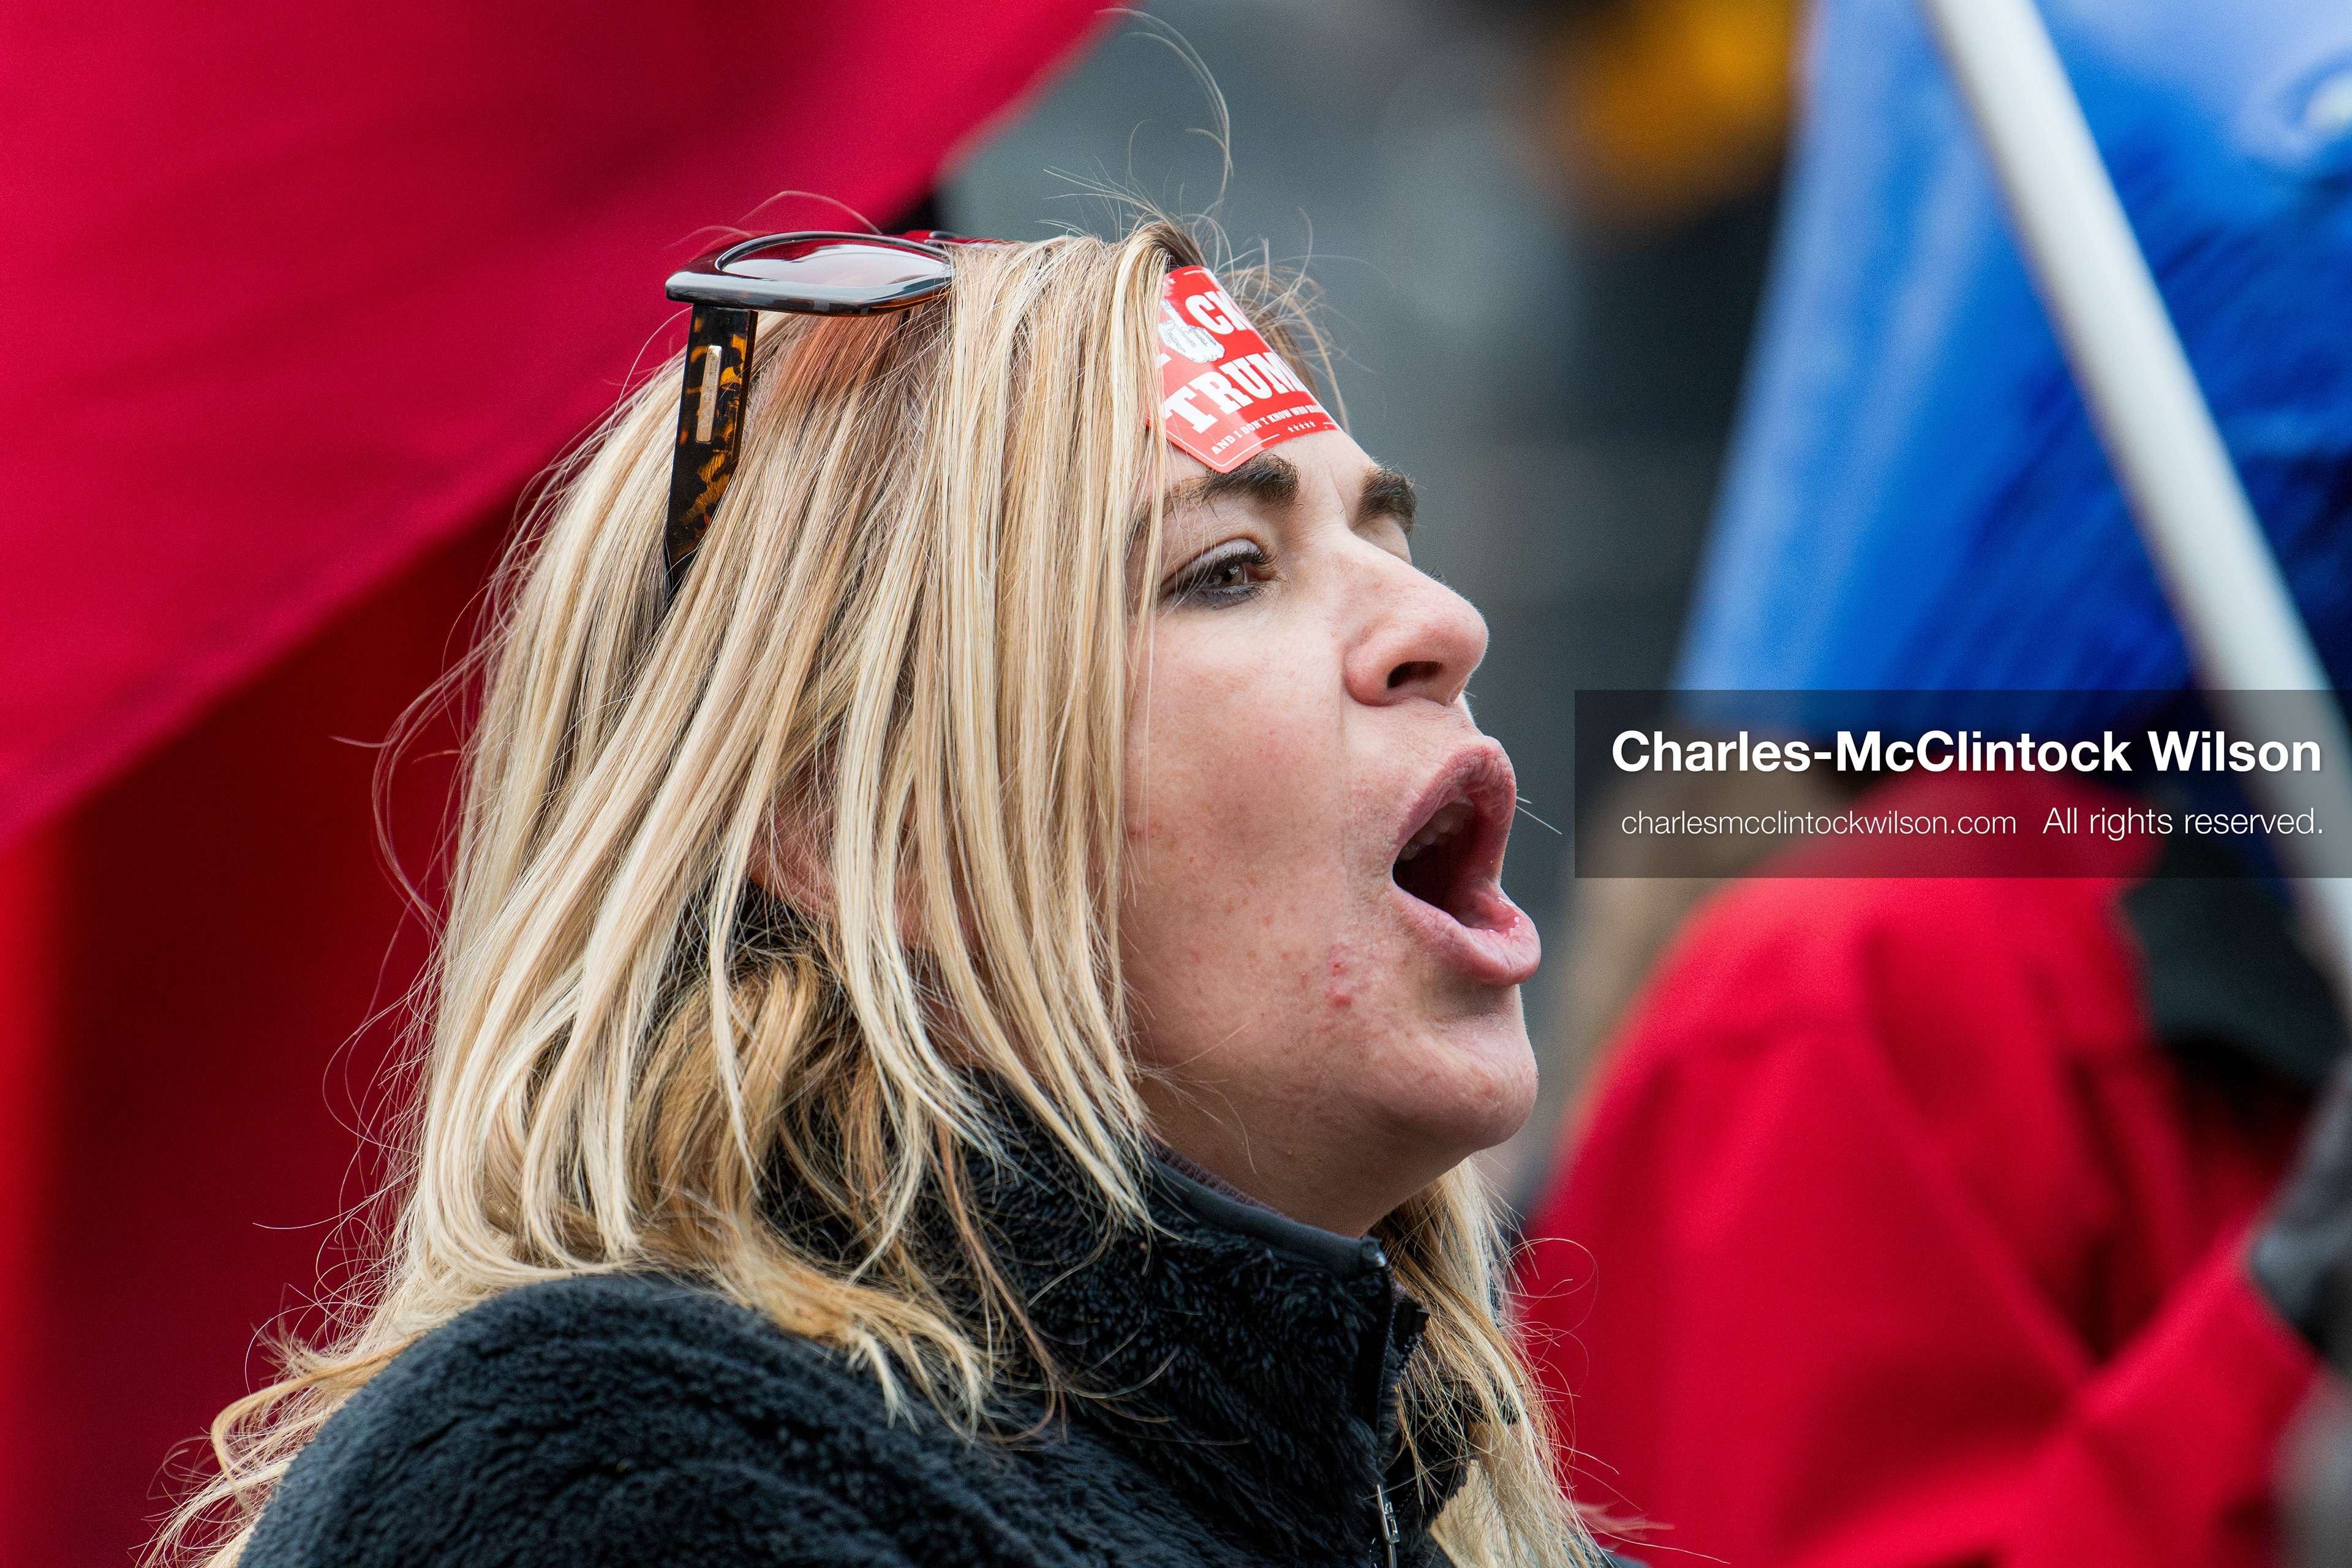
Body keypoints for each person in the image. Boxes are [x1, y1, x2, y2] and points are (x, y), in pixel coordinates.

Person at [156, 221, 1604, 1568]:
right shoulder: (620, 1478)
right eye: (1227, 570)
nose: (1445, 624)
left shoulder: (1404, 1503)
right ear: (862, 828)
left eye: (1390, 544)